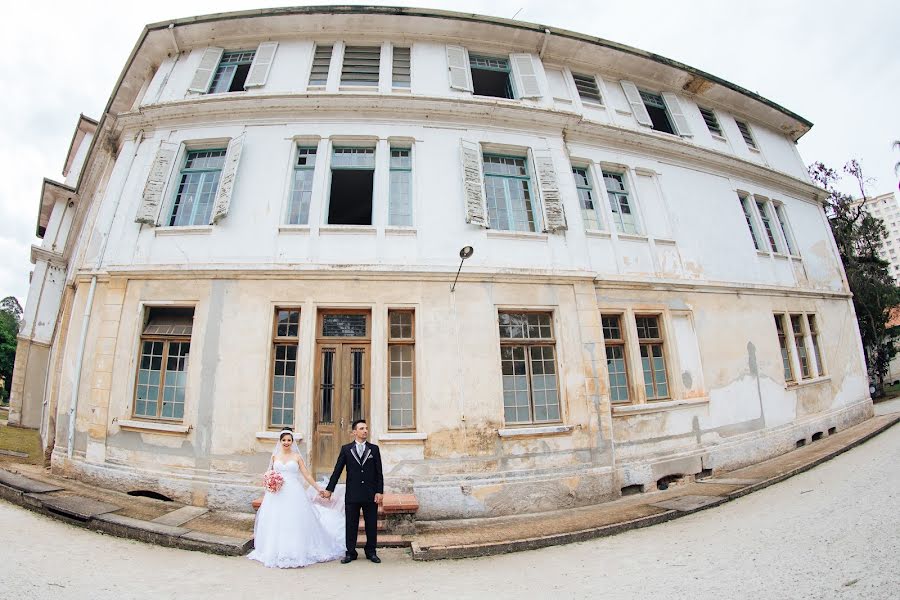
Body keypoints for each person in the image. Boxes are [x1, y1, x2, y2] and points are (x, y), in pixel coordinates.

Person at [248, 428, 345, 568]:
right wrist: (270, 482)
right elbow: (269, 473)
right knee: (276, 520)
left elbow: (306, 475)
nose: (286, 442)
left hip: (294, 492)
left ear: (292, 442)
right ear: (280, 441)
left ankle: (295, 549)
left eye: (289, 440)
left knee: (294, 520)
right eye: (284, 440)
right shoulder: (275, 457)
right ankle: (275, 550)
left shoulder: (297, 457)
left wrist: (319, 489)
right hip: (277, 494)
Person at [321, 419, 384, 564]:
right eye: (362, 428)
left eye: (366, 428)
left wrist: (379, 491)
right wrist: (329, 489)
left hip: (370, 493)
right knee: (351, 524)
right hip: (352, 493)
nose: (365, 431)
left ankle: (371, 552)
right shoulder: (346, 449)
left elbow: (378, 472)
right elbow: (337, 471)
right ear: (354, 432)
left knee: (371, 524)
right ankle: (350, 552)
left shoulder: (374, 449)